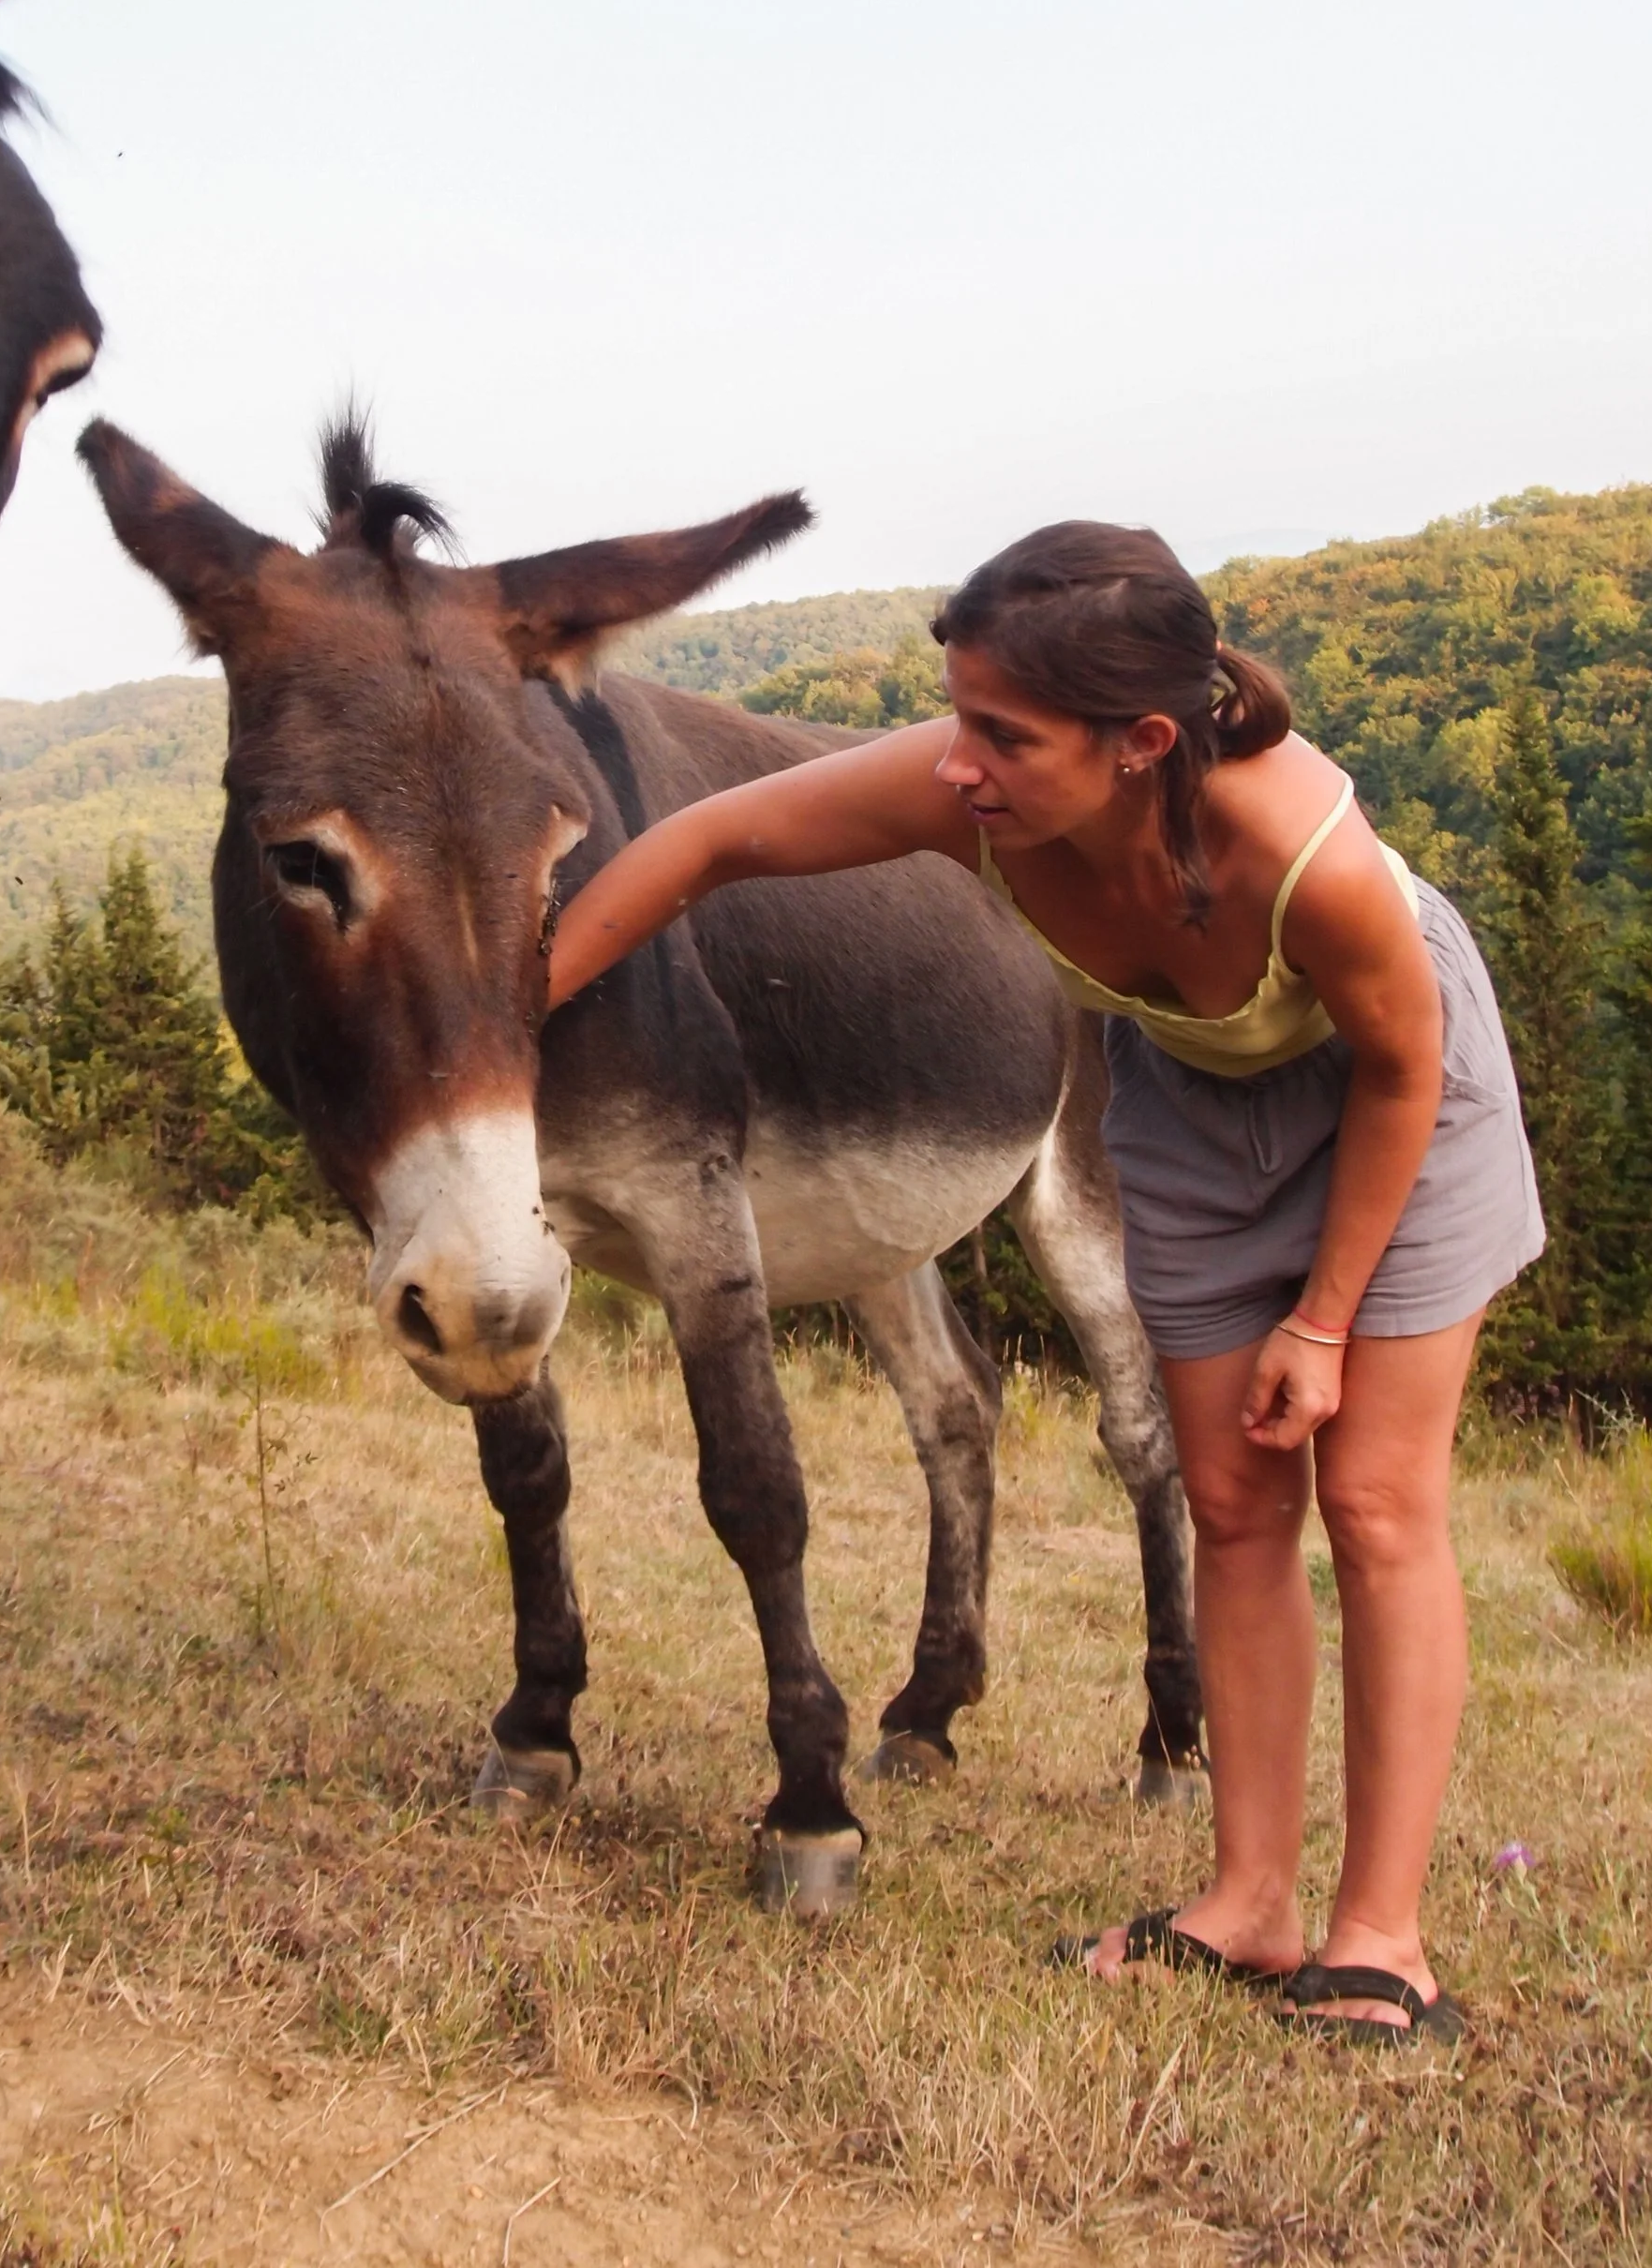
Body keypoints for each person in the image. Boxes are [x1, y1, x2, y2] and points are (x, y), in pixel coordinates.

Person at [543, 521, 1542, 2039]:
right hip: (1194, 1097)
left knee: (1380, 1504)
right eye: (956, 714)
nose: (960, 761)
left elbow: (1409, 1071)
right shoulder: (972, 800)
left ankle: (1381, 1944)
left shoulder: (1309, 864)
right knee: (1233, 1499)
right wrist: (504, 1025)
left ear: (1143, 745)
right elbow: (704, 846)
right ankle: (1248, 1907)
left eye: (1002, 733)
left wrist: (1325, 1321)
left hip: (1397, 1097)